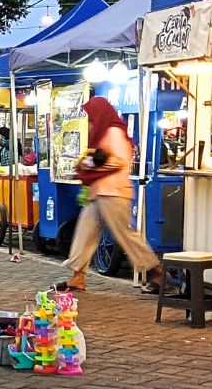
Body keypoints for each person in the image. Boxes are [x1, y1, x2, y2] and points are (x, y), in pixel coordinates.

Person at [65, 97, 162, 293]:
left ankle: (155, 271)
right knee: (85, 232)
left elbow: (120, 159)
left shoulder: (113, 131)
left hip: (113, 192)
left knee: (124, 234)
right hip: (98, 193)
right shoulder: (101, 133)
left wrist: (91, 163)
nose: (89, 120)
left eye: (91, 115)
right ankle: (77, 276)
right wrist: (90, 162)